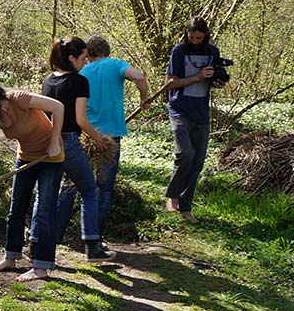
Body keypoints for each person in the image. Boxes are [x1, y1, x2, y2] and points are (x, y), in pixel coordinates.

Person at [0, 75, 65, 281]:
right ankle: (11, 257)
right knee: (15, 209)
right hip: (26, 159)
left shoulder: (18, 98)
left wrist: (55, 141)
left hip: (50, 157)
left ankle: (41, 266)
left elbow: (58, 107)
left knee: (45, 210)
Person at [32, 37, 116, 261]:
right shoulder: (78, 82)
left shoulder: (48, 81)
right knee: (89, 190)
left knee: (44, 193)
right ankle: (93, 245)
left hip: (48, 142)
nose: (85, 63)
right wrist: (97, 139)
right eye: (83, 58)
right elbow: (81, 119)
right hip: (68, 142)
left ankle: (36, 239)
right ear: (71, 58)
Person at [78, 35, 150, 241]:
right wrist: (144, 98)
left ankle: (77, 232)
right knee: (104, 187)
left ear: (88, 54)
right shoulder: (116, 65)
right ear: (106, 52)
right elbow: (140, 77)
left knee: (80, 185)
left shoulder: (82, 70)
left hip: (86, 132)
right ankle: (95, 237)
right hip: (111, 136)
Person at [164, 16, 225, 223]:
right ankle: (172, 196)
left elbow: (216, 77)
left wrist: (216, 81)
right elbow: (170, 83)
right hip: (179, 110)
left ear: (206, 35)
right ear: (186, 34)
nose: (195, 40)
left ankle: (186, 206)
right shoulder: (179, 51)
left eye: (199, 37)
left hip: (201, 113)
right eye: (192, 36)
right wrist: (197, 77)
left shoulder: (212, 52)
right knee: (185, 154)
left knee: (198, 161)